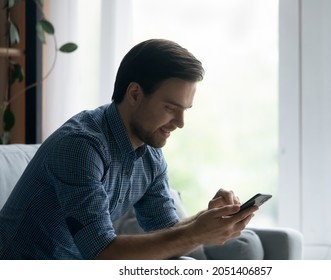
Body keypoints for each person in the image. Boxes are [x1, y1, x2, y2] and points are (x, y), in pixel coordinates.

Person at [0, 39, 260, 260]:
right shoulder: (80, 146)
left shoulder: (150, 153)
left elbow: (166, 233)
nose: (180, 123)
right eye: (170, 108)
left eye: (185, 111)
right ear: (134, 93)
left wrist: (208, 219)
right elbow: (101, 253)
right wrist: (196, 232)